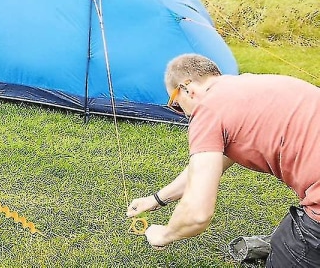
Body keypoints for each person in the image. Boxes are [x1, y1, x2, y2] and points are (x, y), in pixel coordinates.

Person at [126, 53, 320, 267]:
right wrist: (155, 199)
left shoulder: (208, 109)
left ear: (187, 88)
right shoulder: (249, 86)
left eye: (177, 105)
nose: (184, 114)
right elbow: (207, 168)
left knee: (287, 253)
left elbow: (197, 214)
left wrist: (165, 234)